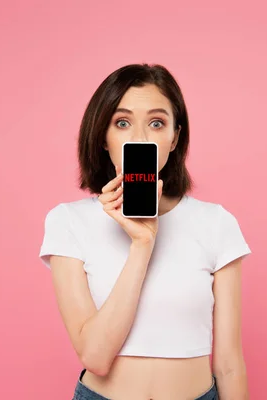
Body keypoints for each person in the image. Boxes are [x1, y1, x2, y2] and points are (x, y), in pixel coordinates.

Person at [38, 63, 252, 400]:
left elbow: (229, 364)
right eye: (122, 123)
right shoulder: (68, 222)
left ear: (174, 137)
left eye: (156, 123)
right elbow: (95, 356)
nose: (139, 138)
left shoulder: (216, 223)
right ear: (103, 138)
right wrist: (142, 243)